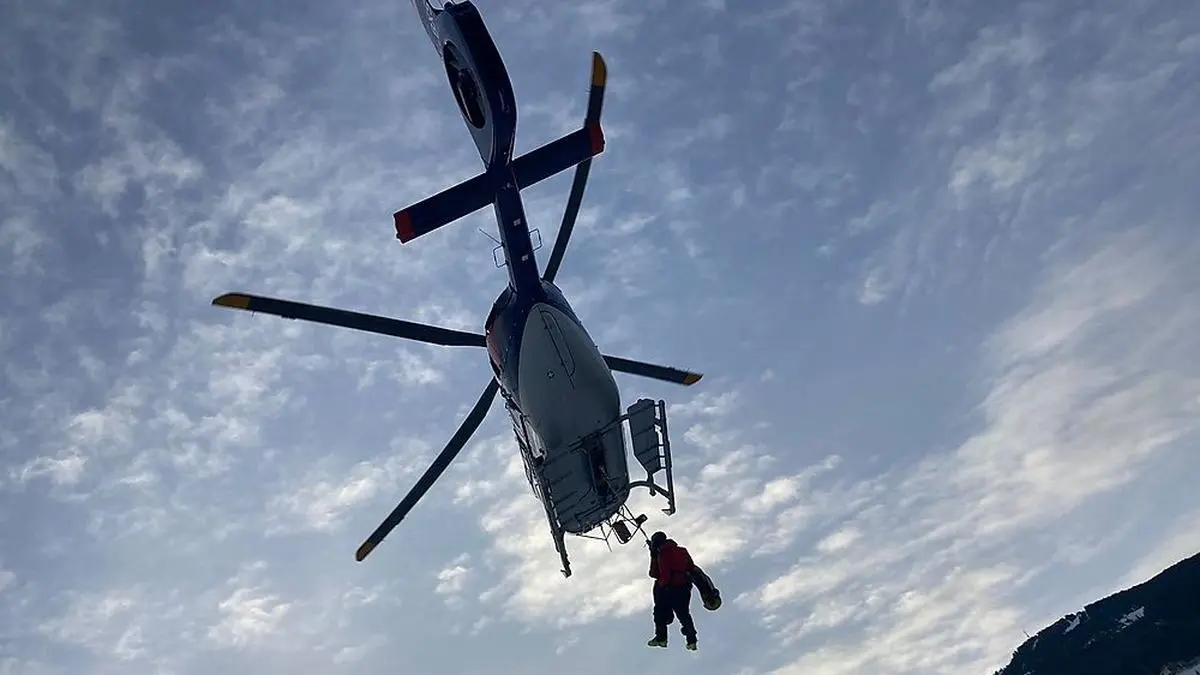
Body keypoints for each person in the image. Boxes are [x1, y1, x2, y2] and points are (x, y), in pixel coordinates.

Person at [646, 531, 698, 650]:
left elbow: (657, 574)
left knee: (659, 613)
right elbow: (690, 567)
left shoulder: (663, 554)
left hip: (669, 589)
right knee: (684, 615)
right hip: (684, 587)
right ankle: (692, 640)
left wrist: (654, 557)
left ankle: (661, 638)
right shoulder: (682, 550)